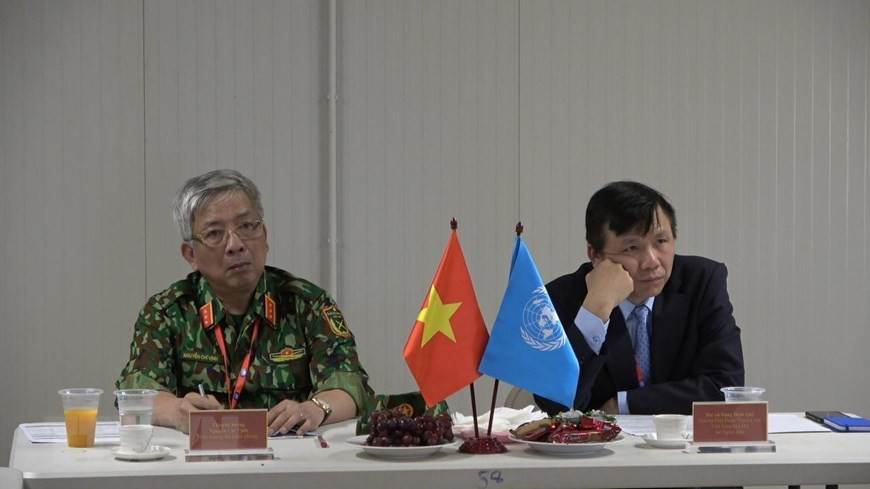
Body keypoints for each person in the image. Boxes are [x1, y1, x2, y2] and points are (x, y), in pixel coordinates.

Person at [117, 169, 374, 435]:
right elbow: (135, 395)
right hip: (197, 464)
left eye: (247, 226)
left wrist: (315, 407)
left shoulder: (307, 304)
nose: (235, 244)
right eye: (215, 233)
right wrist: (177, 411)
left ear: (265, 235)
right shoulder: (167, 312)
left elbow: (350, 386)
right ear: (191, 254)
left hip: (289, 461)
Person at [536, 181, 744, 415]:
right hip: (601, 449)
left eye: (661, 242)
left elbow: (727, 388)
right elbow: (556, 405)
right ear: (595, 255)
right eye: (632, 248)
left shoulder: (702, 282)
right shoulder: (562, 297)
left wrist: (624, 404)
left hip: (682, 445)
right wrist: (595, 310)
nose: (652, 261)